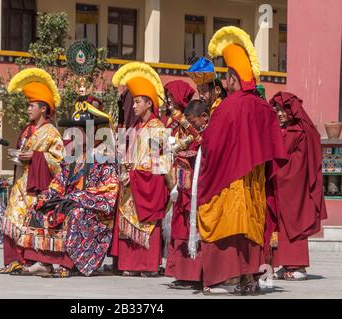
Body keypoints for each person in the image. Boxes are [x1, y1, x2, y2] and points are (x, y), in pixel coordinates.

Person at [193, 26, 287, 295]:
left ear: (233, 77)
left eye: (226, 76)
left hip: (228, 181)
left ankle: (226, 278)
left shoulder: (228, 107)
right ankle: (248, 278)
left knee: (227, 224)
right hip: (253, 186)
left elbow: (211, 142)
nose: (225, 81)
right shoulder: (263, 107)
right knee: (251, 226)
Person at [16, 97, 119, 277]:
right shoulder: (72, 155)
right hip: (70, 202)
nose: (76, 133)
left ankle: (69, 263)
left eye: (81, 129)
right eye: (75, 129)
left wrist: (77, 198)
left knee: (74, 214)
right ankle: (43, 262)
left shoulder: (104, 154)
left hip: (93, 208)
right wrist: (46, 197)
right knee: (39, 209)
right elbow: (59, 182)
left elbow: (109, 189)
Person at [0, 68, 64, 274]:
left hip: (37, 187)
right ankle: (13, 260)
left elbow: (59, 162)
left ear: (42, 108)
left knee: (28, 222)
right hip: (21, 182)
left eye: (31, 106)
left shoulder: (51, 133)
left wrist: (36, 157)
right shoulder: (27, 130)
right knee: (12, 219)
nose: (28, 110)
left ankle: (31, 261)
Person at [110, 62, 170, 277]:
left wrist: (135, 172)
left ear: (149, 103)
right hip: (131, 183)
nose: (133, 106)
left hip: (146, 183)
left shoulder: (158, 128)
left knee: (147, 223)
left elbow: (160, 161)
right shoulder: (135, 128)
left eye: (137, 102)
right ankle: (130, 264)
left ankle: (147, 265)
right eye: (133, 102)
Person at [268, 92, 327, 280]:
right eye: (276, 110)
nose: (279, 114)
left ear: (290, 110)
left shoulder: (298, 131)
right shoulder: (287, 129)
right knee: (282, 224)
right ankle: (286, 265)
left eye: (282, 110)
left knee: (295, 222)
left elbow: (288, 157)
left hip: (294, 186)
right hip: (285, 184)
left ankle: (298, 267)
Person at [165, 99, 209, 290]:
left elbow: (205, 148)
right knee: (181, 227)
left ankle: (194, 275)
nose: (191, 125)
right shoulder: (194, 132)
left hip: (198, 188)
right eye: (188, 121)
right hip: (184, 186)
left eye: (193, 121)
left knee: (194, 229)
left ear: (204, 117)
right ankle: (182, 273)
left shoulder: (208, 132)